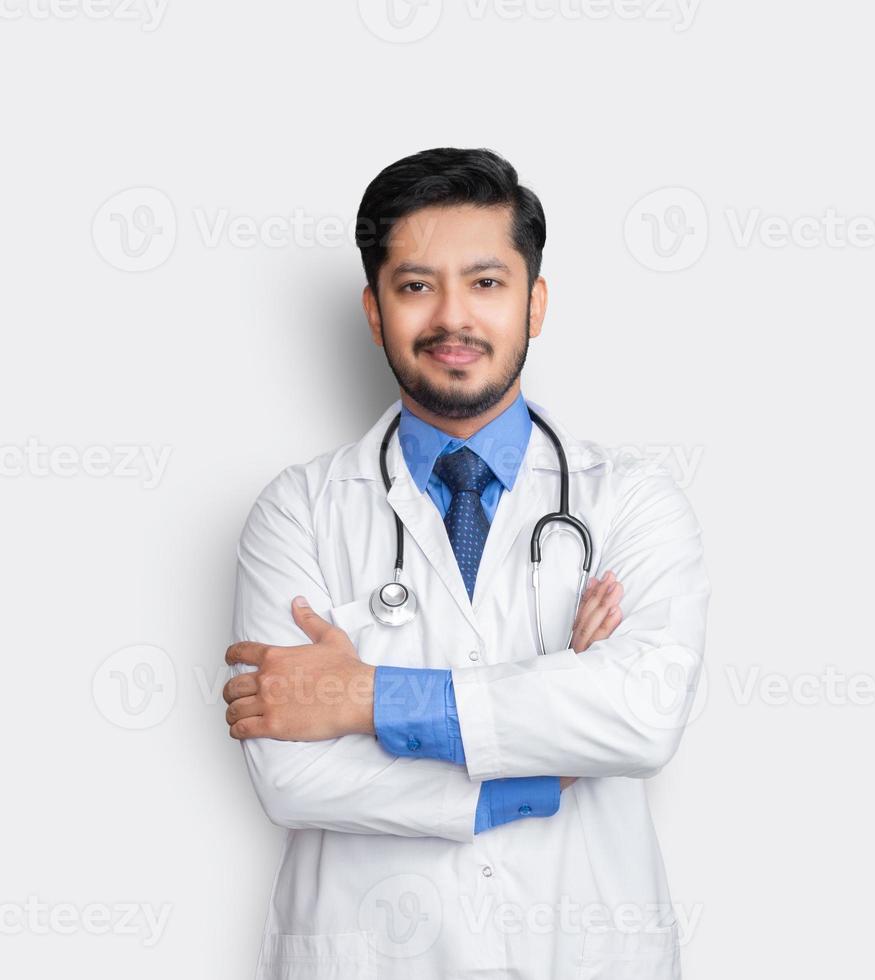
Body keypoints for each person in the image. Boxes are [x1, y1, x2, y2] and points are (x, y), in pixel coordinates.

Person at [220, 146, 711, 980]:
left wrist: (364, 696)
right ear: (375, 311)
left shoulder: (631, 501)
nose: (454, 317)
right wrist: (535, 764)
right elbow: (292, 775)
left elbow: (642, 712)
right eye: (416, 286)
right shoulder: (297, 510)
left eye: (486, 283)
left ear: (535, 302)